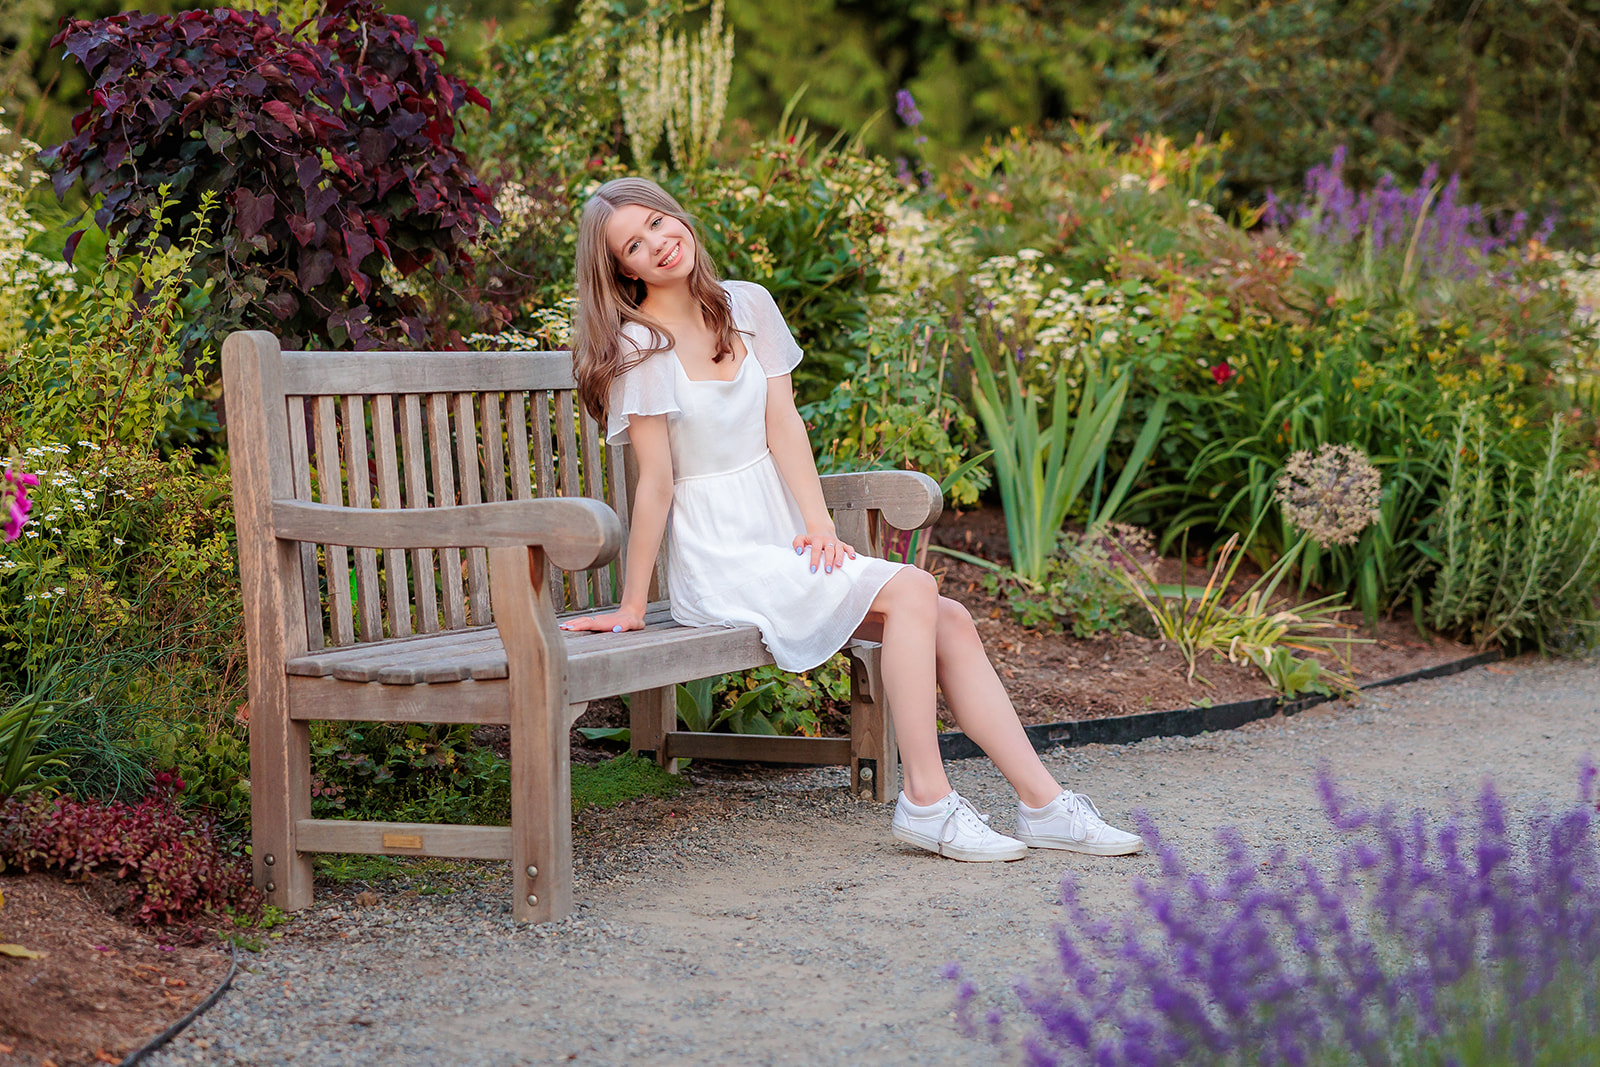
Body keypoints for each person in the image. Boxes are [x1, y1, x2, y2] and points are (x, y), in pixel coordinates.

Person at [561, 177, 1142, 863]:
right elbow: (654, 483)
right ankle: (927, 798)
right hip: (720, 556)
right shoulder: (640, 346)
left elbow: (784, 425)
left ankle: (1044, 804)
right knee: (914, 591)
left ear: (678, 218)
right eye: (635, 243)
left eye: (659, 222)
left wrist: (819, 524)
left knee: (947, 617)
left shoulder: (746, 305)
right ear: (621, 269)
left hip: (779, 538)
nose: (659, 242)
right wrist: (633, 604)